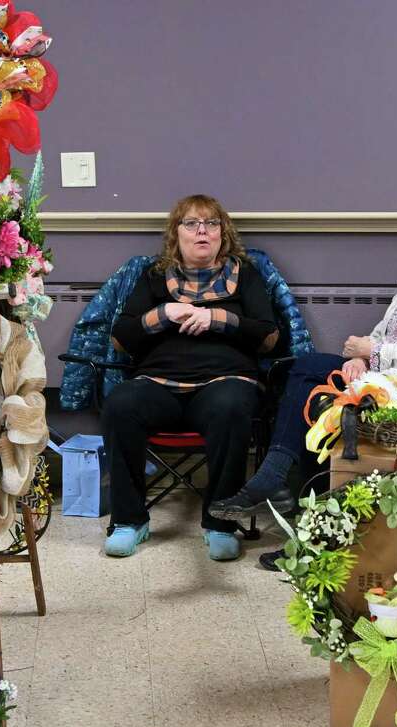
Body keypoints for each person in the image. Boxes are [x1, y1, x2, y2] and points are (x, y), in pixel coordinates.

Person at [210, 180, 397, 567]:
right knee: (308, 376)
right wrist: (364, 359)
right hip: (395, 381)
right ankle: (292, 502)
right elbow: (387, 331)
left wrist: (372, 353)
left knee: (315, 381)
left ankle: (283, 491)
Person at [101, 194, 280, 561]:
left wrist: (219, 320)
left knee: (232, 406)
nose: (202, 231)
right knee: (121, 404)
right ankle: (129, 522)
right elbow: (120, 338)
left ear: (222, 233)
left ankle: (219, 523)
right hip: (158, 384)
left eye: (211, 224)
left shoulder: (245, 275)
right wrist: (164, 313)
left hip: (225, 382)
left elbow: (269, 336)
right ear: (176, 234)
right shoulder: (154, 276)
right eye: (192, 224)